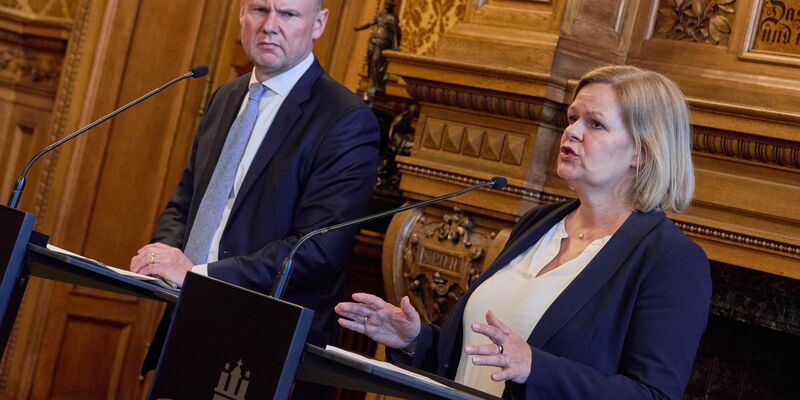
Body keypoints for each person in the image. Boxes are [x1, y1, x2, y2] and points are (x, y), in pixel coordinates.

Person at [335, 65, 711, 399]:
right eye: (573, 117)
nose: (572, 132)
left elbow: (653, 394)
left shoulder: (669, 259)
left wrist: (537, 368)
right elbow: (473, 360)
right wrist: (416, 340)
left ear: (642, 151)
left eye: (595, 124)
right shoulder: (541, 224)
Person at [130, 0, 380, 373]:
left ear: (318, 24)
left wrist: (198, 276)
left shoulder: (346, 121)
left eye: (289, 14)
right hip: (185, 318)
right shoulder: (226, 97)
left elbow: (316, 251)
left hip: (263, 344)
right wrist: (161, 254)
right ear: (241, 15)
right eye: (260, 9)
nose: (270, 25)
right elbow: (186, 202)